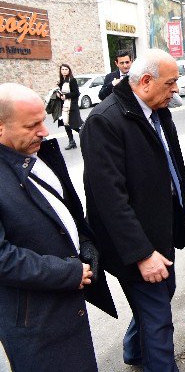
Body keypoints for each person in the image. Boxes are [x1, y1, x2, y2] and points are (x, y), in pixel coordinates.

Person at [80, 49, 185, 371]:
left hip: (158, 230)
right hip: (132, 243)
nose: (176, 90)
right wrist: (143, 254)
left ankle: (134, 350)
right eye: (171, 83)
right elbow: (109, 200)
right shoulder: (104, 121)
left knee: (163, 292)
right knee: (158, 318)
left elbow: (172, 166)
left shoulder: (158, 110)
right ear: (146, 81)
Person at [0, 83, 116, 371]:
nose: (44, 131)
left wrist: (85, 245)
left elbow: (64, 213)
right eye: (32, 125)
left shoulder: (34, 155)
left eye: (43, 120)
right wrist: (66, 272)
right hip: (35, 322)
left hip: (66, 305)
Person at [57, 63, 83, 150]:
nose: (64, 71)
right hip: (64, 106)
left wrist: (66, 96)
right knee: (66, 124)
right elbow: (61, 94)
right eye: (62, 69)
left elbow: (76, 93)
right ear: (60, 71)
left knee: (75, 125)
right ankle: (71, 142)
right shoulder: (61, 81)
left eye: (66, 69)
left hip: (72, 106)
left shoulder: (72, 80)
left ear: (69, 71)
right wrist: (59, 94)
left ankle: (86, 136)